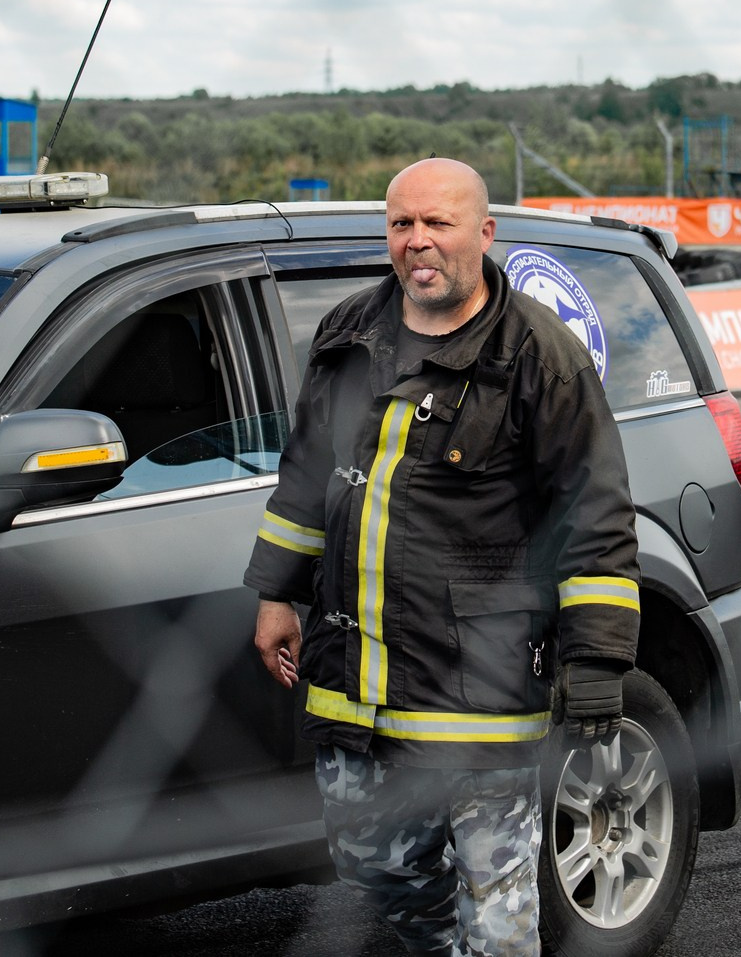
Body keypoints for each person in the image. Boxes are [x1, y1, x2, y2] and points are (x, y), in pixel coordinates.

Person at [245, 158, 638, 957]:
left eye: (438, 223)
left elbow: (593, 515)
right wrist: (277, 592)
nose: (418, 241)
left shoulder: (540, 357)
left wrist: (595, 663)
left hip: (481, 696)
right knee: (372, 868)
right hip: (357, 686)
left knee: (498, 915)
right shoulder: (348, 334)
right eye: (401, 224)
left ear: (484, 233)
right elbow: (307, 476)